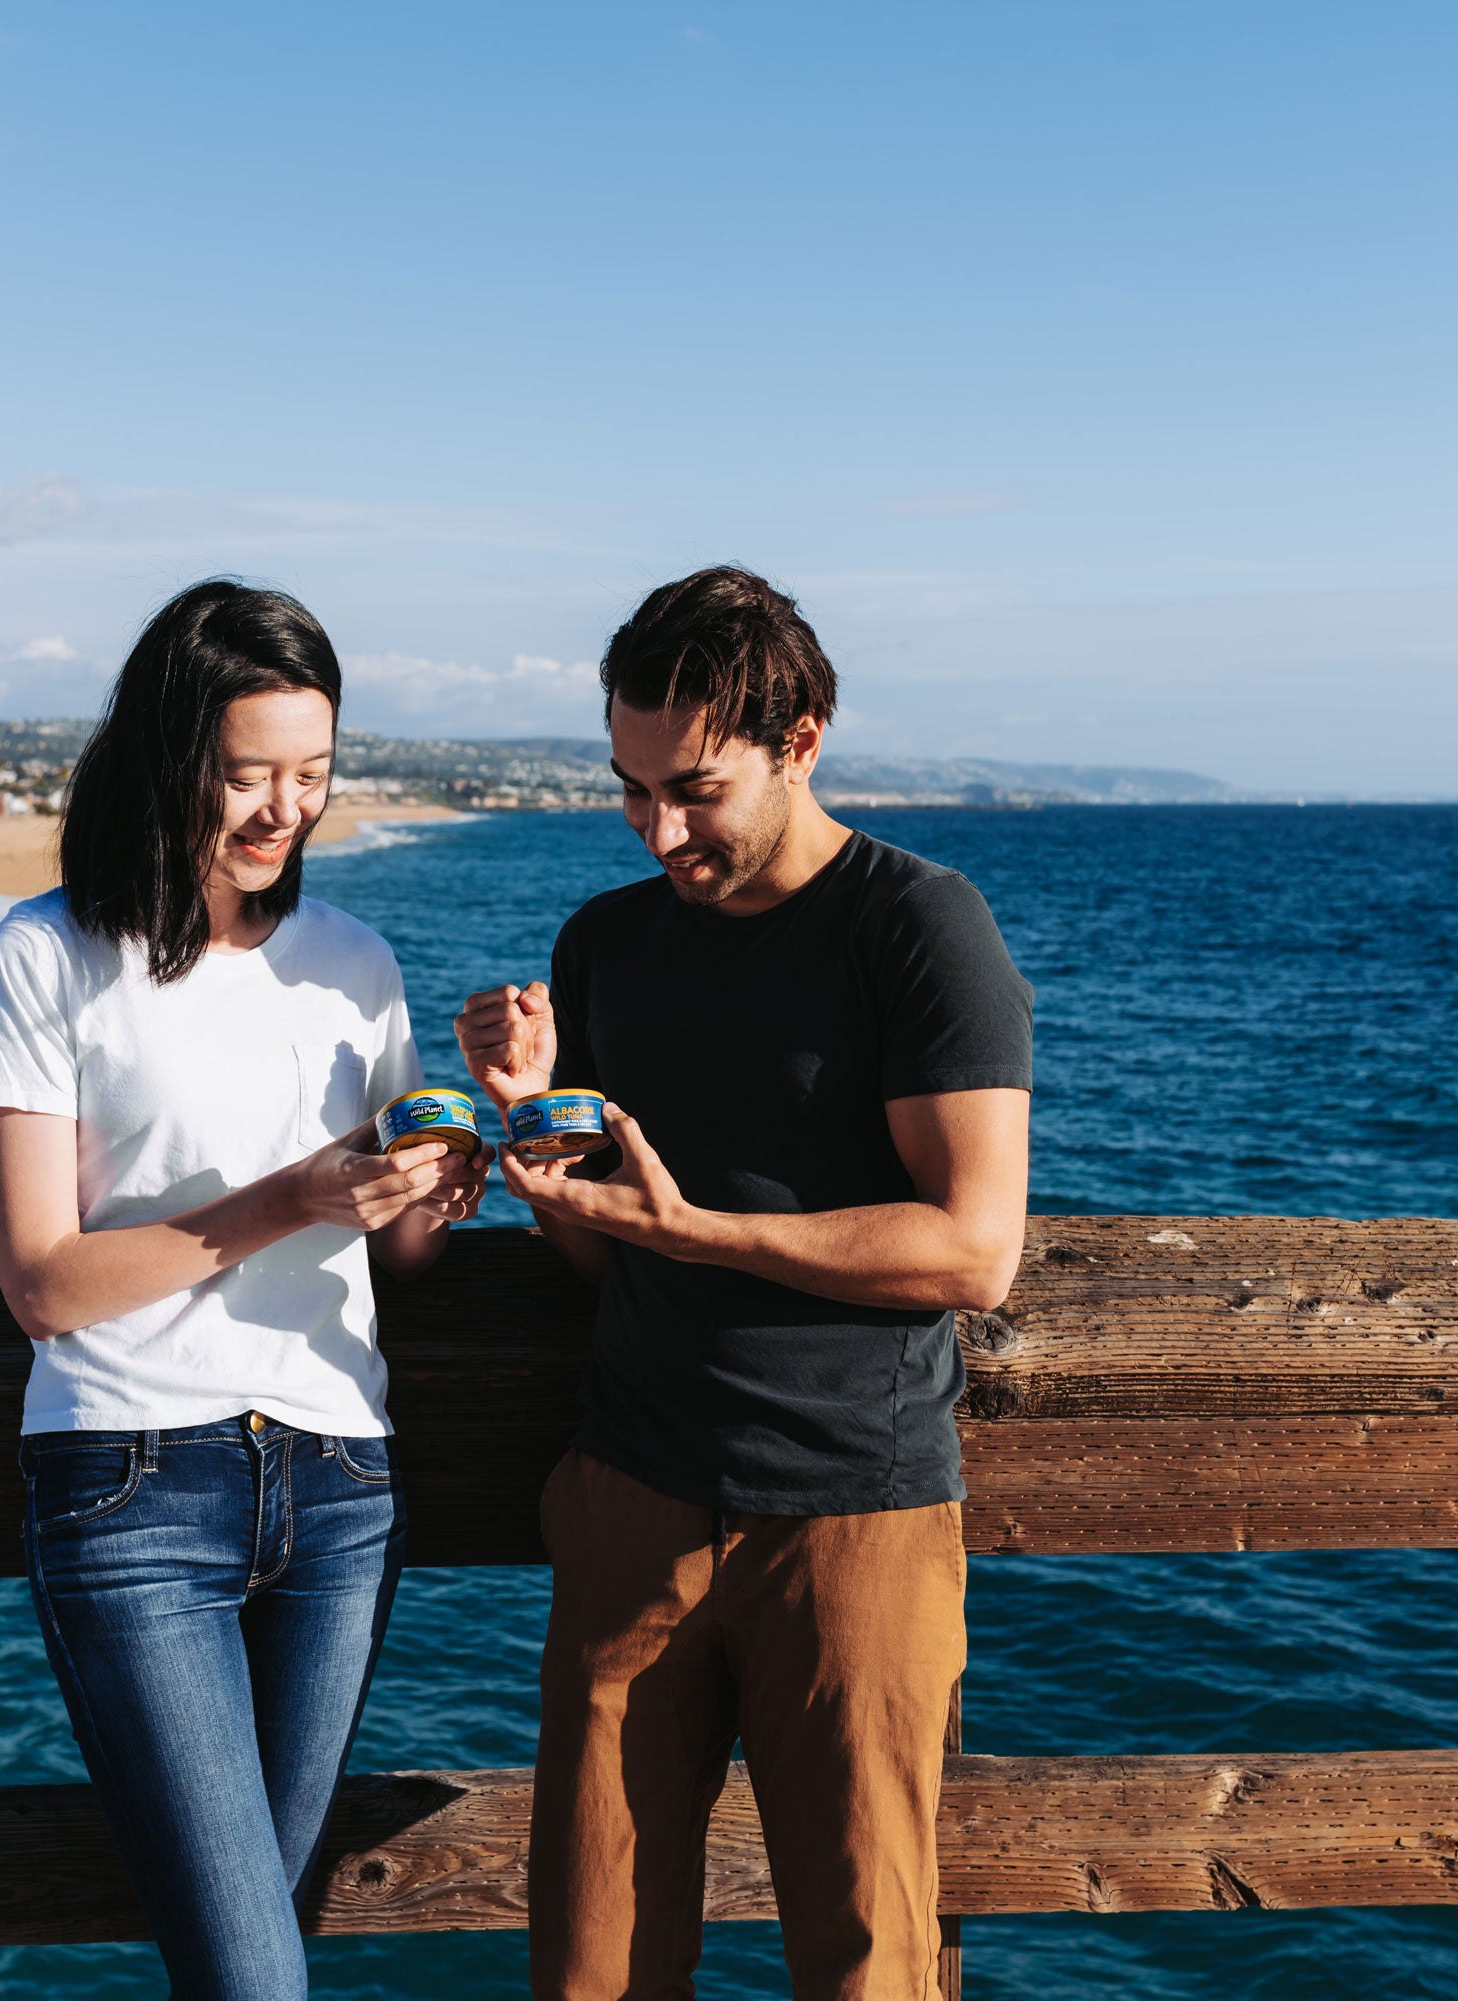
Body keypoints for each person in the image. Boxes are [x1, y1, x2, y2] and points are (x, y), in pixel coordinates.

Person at [456, 566, 1034, 2001]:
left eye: (695, 790)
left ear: (804, 739)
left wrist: (696, 1229)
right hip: (630, 1491)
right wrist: (531, 1123)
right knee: (590, 1967)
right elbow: (607, 1244)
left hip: (853, 1516)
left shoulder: (917, 925)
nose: (660, 829)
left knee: (867, 1965)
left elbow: (974, 1248)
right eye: (629, 787)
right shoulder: (605, 943)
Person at [0, 579, 481, 2001]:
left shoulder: (355, 964)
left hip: (338, 1485)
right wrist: (295, 1196)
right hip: (131, 1486)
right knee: (258, 1978)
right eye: (248, 774)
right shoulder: (43, 956)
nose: (283, 811)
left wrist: (432, 1178)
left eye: (312, 775)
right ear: (165, 754)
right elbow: (46, 1284)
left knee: (249, 1965)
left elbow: (404, 1256)